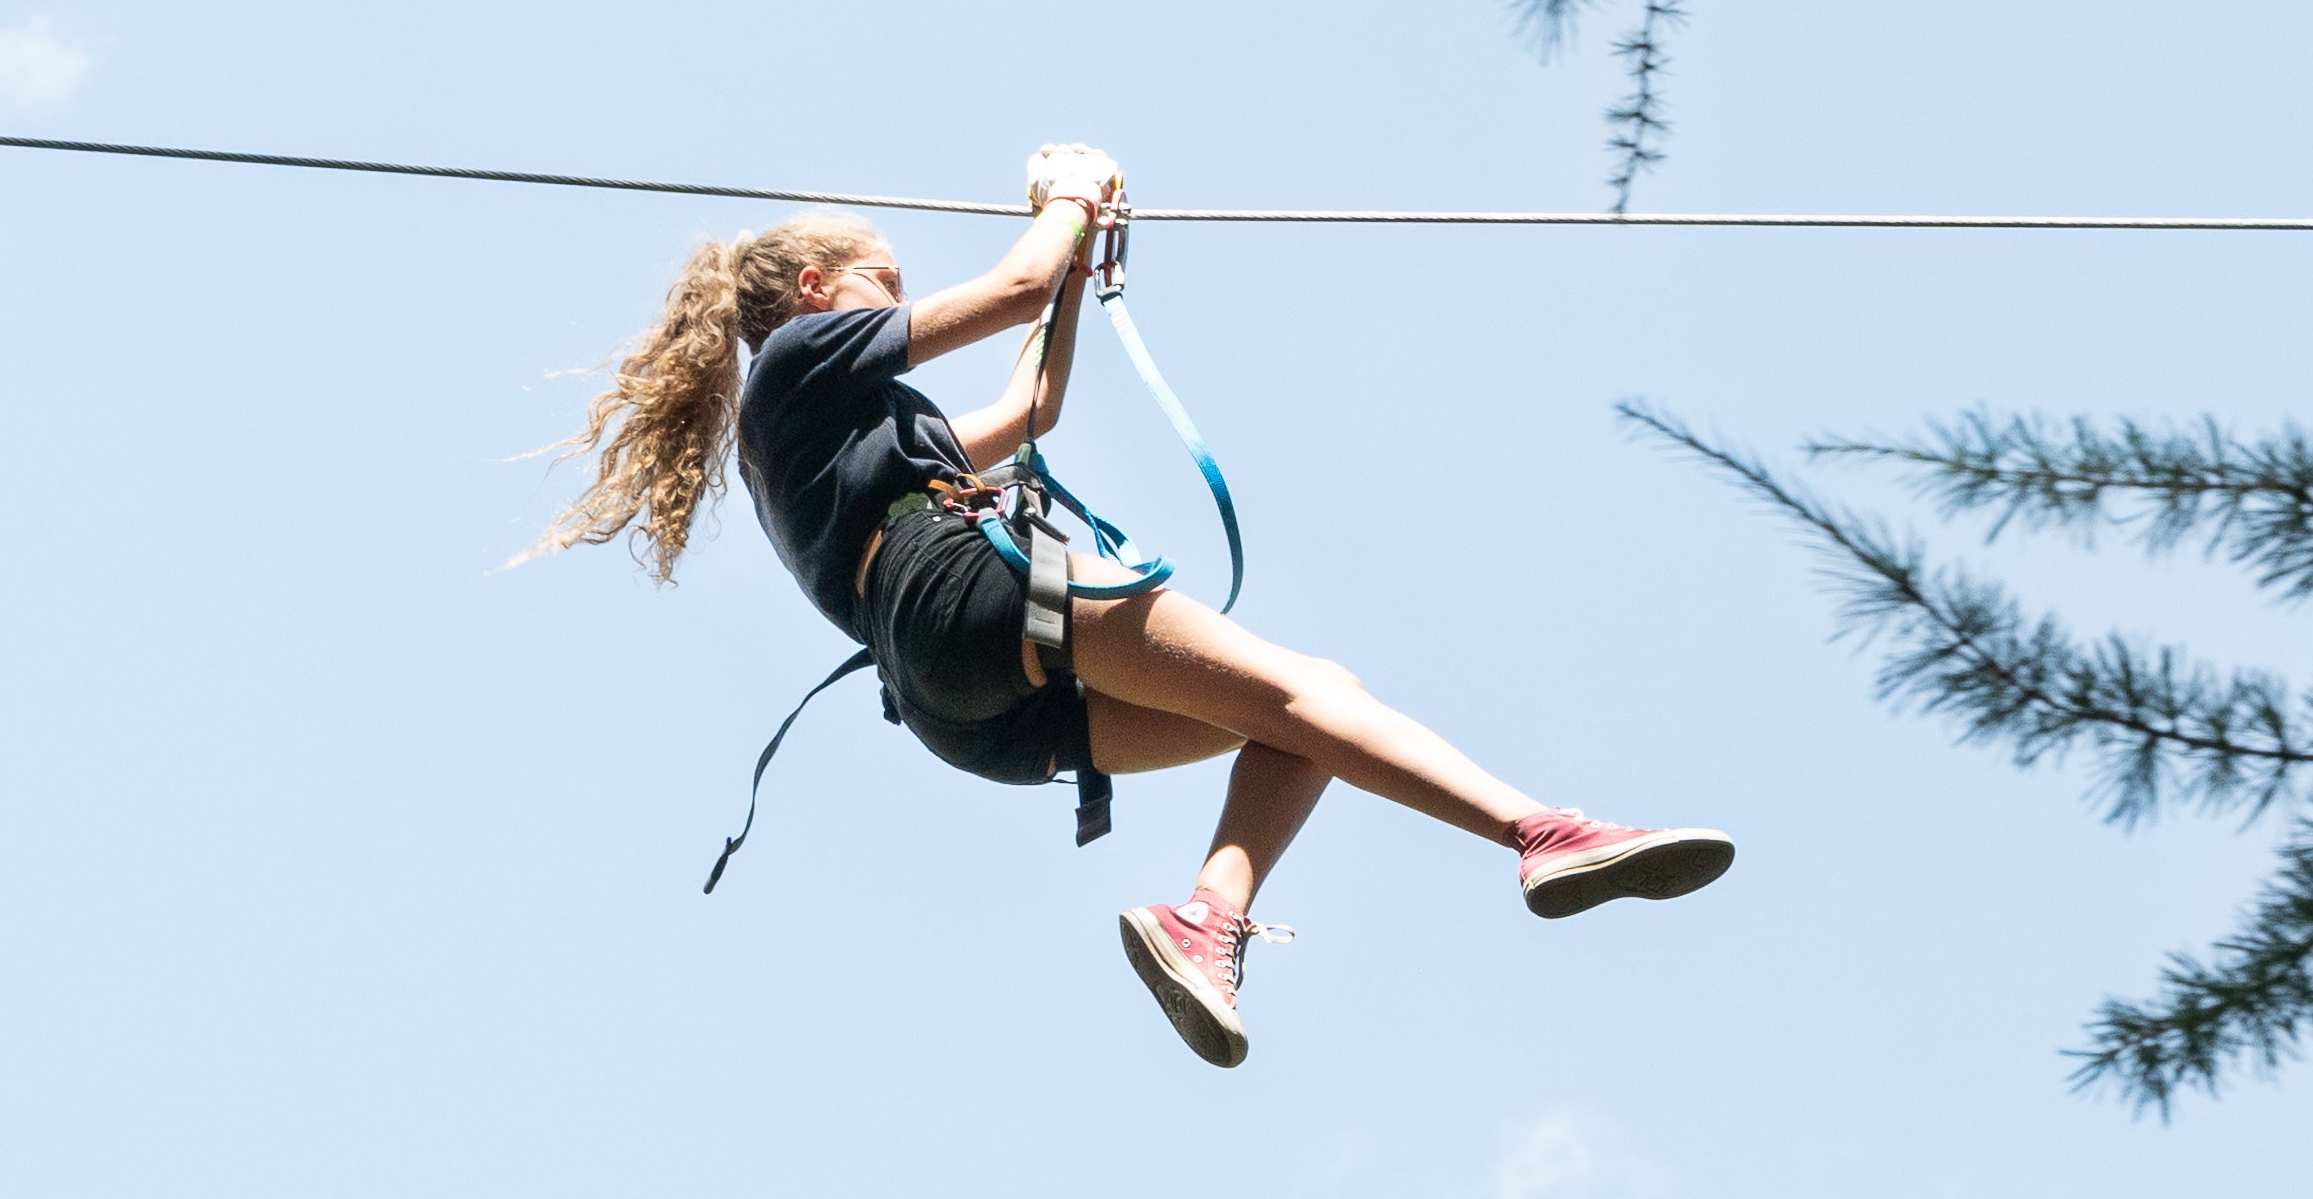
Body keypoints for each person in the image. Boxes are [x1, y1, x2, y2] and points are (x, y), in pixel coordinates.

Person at [543, 146, 1733, 1066]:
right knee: (1308, 690)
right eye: (881, 282)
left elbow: (1034, 404)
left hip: (960, 704)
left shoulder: (846, 436)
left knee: (1310, 718)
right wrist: (1066, 193)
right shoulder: (801, 363)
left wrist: (1082, 262)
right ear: (815, 290)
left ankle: (1207, 922)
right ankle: (1540, 832)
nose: (893, 303)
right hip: (961, 593)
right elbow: (1011, 284)